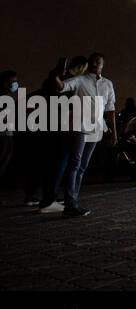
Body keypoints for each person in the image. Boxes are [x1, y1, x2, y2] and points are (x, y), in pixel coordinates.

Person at [37, 57, 89, 215]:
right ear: (81, 67)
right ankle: (49, 200)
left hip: (48, 123)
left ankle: (48, 197)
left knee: (54, 162)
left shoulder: (55, 80)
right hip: (62, 125)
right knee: (60, 162)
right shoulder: (69, 81)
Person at [65, 53, 117, 210]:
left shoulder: (107, 84)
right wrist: (58, 73)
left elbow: (111, 109)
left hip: (96, 129)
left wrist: (114, 132)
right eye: (93, 61)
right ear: (89, 63)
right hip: (79, 126)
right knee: (75, 164)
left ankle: (73, 198)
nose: (96, 64)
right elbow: (63, 86)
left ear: (102, 65)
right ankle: (70, 203)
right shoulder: (80, 80)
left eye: (99, 62)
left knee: (82, 167)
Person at [0, 70, 16, 187]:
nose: (15, 84)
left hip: (7, 135)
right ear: (5, 83)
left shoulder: (6, 97)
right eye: (13, 81)